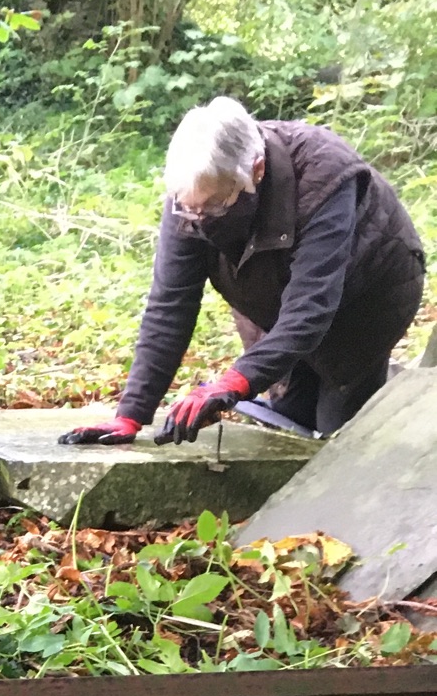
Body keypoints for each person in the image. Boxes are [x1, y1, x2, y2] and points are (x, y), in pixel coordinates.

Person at [62, 95, 425, 446]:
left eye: (215, 205)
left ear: (257, 170)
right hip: (272, 290)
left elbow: (310, 308)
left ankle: (403, 411)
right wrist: (130, 415)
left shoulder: (324, 172)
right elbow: (170, 305)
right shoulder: (192, 196)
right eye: (190, 208)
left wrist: (234, 382)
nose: (200, 218)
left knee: (339, 433)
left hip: (369, 297)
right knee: (290, 419)